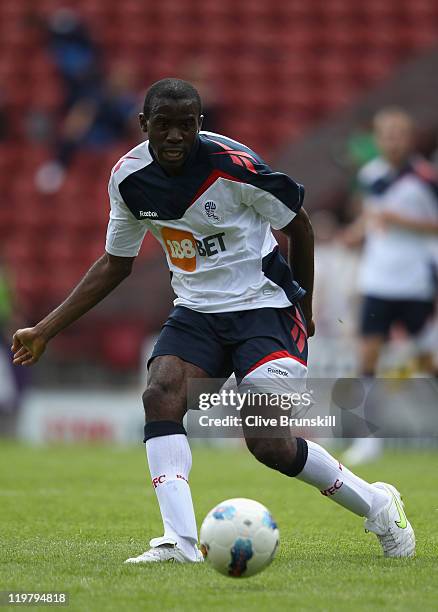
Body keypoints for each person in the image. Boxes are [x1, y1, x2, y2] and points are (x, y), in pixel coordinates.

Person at [12, 79, 415, 562]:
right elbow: (115, 262)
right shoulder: (128, 179)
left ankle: (377, 504)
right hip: (197, 312)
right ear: (144, 126)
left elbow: (299, 226)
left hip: (264, 308)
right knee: (160, 394)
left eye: (187, 125)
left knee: (267, 442)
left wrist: (302, 306)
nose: (176, 136)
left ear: (200, 124)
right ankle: (180, 542)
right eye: (164, 125)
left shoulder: (234, 167)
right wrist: (44, 329)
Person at [342, 107, 438, 465]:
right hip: (378, 280)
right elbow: (372, 216)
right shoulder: (371, 175)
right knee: (367, 356)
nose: (392, 140)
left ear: (409, 138)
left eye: (399, 133)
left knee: (428, 361)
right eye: (386, 134)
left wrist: (404, 222)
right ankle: (368, 440)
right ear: (378, 138)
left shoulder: (425, 179)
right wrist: (354, 234)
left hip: (414, 283)